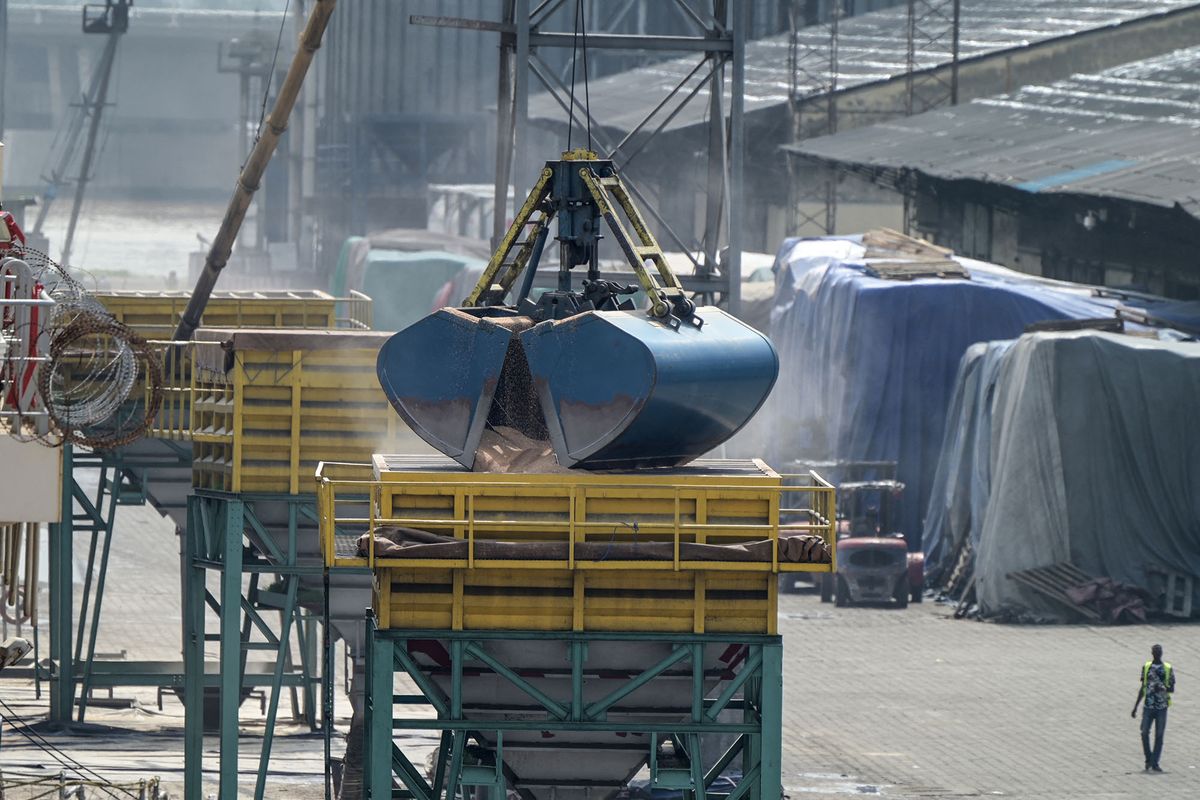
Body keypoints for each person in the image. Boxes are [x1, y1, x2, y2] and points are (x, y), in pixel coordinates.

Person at [1131, 643, 1175, 772]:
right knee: (1144, 732)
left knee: (1159, 735)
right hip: (1148, 706)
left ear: (1162, 653)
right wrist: (1135, 707)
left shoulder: (1167, 668)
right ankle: (1148, 758)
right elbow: (1143, 688)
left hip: (1162, 706)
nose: (1157, 653)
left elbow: (1172, 688)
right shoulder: (1146, 667)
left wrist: (1162, 688)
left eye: (1159, 651)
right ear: (1152, 653)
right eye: (1155, 651)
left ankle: (1155, 762)